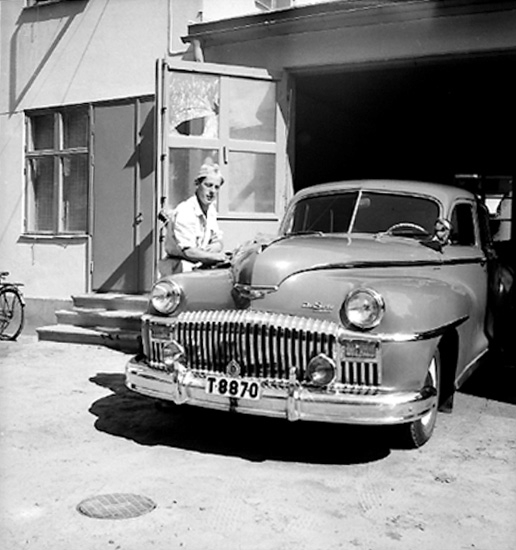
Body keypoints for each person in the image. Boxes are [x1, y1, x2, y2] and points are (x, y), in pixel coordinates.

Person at [159, 162, 227, 275]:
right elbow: (188, 251)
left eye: (216, 187)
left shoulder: (211, 211)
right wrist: (215, 257)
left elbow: (218, 240)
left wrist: (215, 247)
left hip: (199, 268)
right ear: (197, 184)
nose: (212, 191)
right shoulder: (185, 211)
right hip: (179, 270)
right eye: (208, 185)